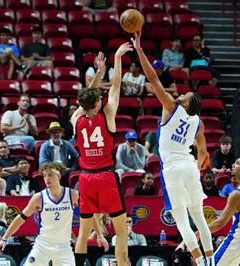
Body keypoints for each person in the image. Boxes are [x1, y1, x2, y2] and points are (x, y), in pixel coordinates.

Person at [132, 31, 214, 266]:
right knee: (200, 218)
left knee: (182, 222)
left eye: (186, 94)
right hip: (190, 166)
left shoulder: (171, 106)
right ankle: (211, 262)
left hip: (173, 169)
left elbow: (153, 79)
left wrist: (139, 50)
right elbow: (203, 152)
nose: (182, 93)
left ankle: (198, 262)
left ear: (187, 103)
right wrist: (198, 168)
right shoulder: (199, 122)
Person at [72, 45, 133, 266]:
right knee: (121, 232)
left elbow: (85, 98)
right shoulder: (107, 114)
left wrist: (97, 74)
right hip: (105, 177)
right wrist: (117, 58)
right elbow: (116, 85)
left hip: (85, 178)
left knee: (83, 232)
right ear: (98, 103)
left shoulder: (76, 119)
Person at [0, 163, 107, 265]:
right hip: (42, 246)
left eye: (50, 175)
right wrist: (4, 238)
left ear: (59, 176)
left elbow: (89, 215)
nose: (47, 179)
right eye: (45, 176)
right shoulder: (39, 197)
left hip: (64, 247)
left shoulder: (72, 194)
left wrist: (100, 235)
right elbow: (20, 218)